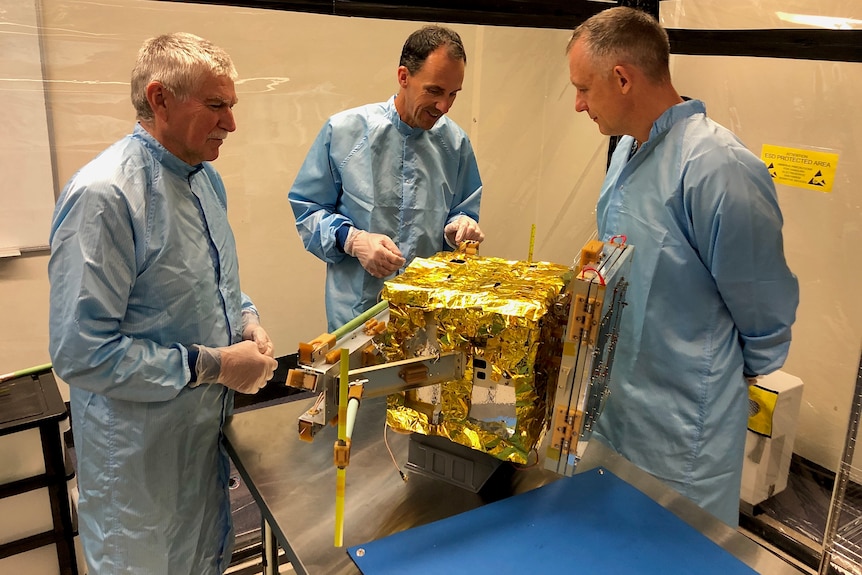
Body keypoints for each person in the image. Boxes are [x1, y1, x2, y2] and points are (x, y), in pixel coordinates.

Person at [48, 32, 278, 574]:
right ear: (160, 99)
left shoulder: (204, 181)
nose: (231, 123)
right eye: (216, 106)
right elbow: (82, 352)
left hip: (198, 446)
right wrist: (214, 364)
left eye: (232, 106)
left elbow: (213, 281)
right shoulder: (105, 196)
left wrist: (246, 320)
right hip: (139, 466)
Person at [566, 7, 799, 527]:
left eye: (583, 88)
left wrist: (706, 381)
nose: (578, 104)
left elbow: (764, 315)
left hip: (682, 433)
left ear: (622, 78)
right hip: (618, 405)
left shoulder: (718, 166)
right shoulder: (627, 152)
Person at [289, 25, 484, 332]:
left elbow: (462, 211)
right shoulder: (344, 133)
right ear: (403, 76)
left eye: (452, 94)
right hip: (357, 318)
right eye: (434, 91)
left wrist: (460, 228)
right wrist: (353, 240)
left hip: (426, 318)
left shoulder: (455, 144)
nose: (444, 107)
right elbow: (308, 211)